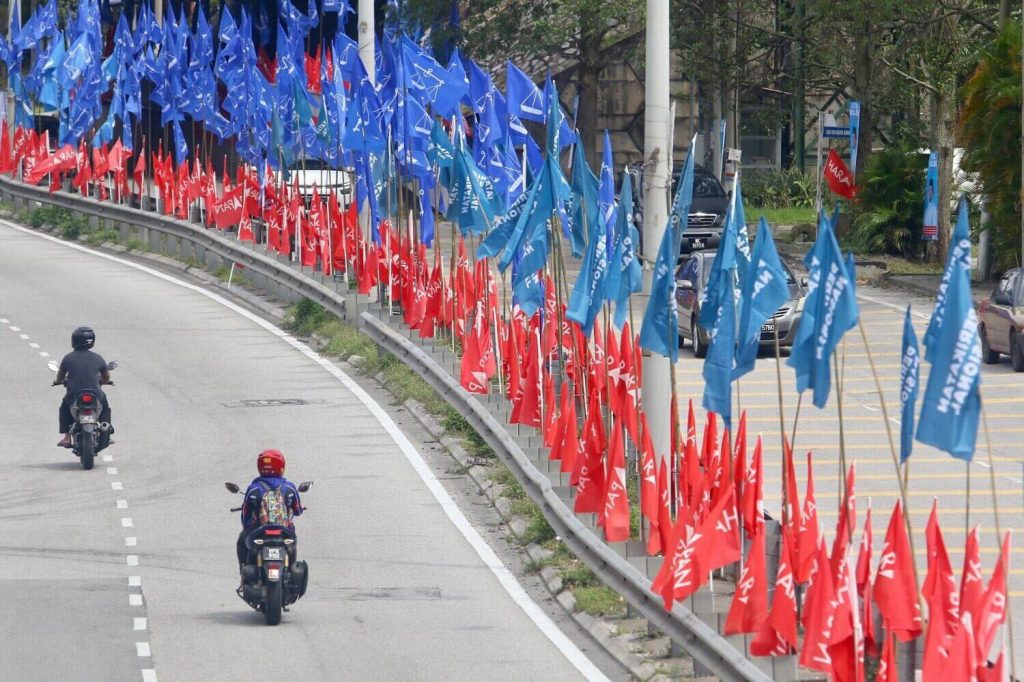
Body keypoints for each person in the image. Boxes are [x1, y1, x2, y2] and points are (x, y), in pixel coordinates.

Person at [236, 449, 304, 574]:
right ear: (281, 467)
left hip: (259, 531)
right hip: (284, 531)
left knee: (241, 541)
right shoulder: (289, 487)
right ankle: (290, 570)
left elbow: (245, 515)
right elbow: (298, 510)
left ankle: (243, 572)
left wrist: (247, 528)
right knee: (292, 545)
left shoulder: (253, 489)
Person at [54, 327, 112, 448]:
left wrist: (58, 381)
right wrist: (104, 381)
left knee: (64, 408)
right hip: (95, 393)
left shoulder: (68, 358)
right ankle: (106, 427)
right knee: (105, 405)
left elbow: (60, 376)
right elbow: (106, 376)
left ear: (74, 341)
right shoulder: (98, 358)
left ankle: (66, 437)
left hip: (74, 395)